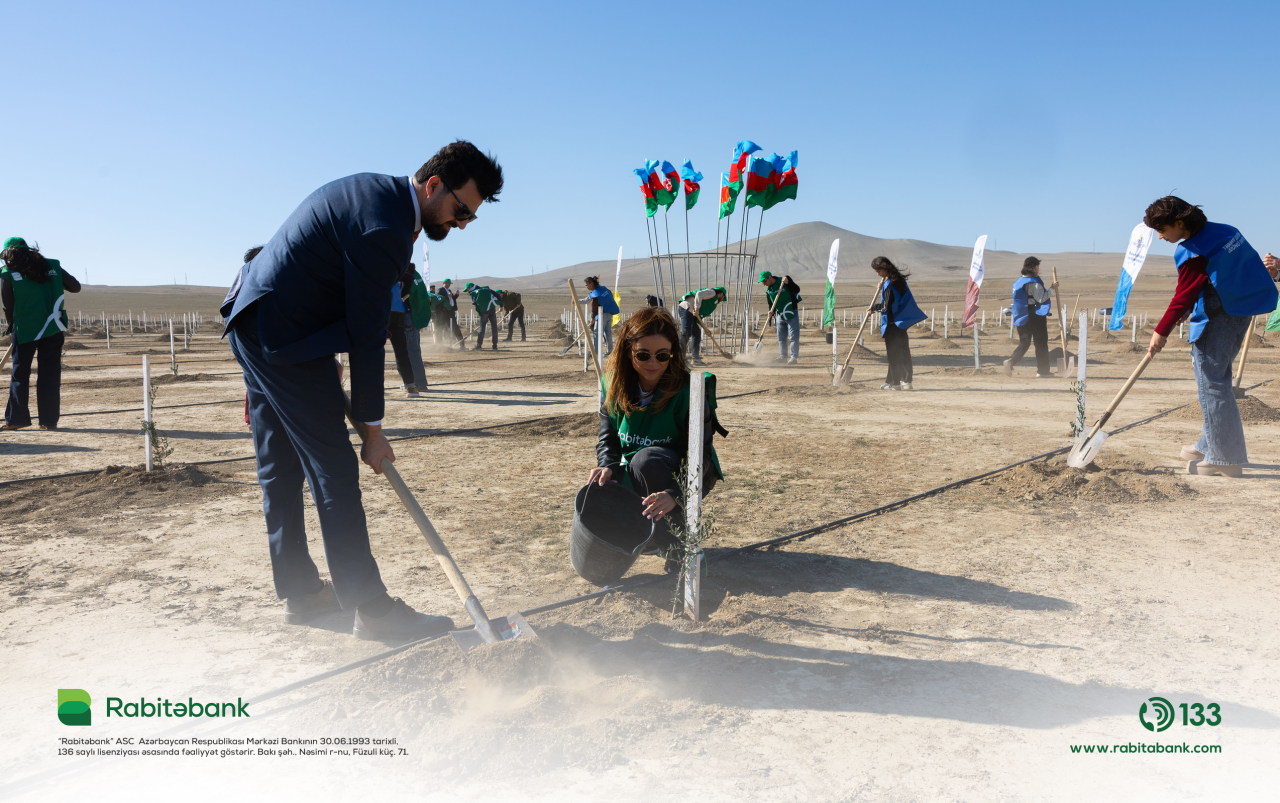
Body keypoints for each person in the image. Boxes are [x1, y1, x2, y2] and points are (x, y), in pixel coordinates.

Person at [220, 140, 503, 639]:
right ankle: (372, 610)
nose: (461, 224)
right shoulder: (385, 227)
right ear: (433, 184)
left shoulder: (381, 199)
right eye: (461, 210)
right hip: (283, 338)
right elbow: (369, 337)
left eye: (470, 219)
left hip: (263, 322)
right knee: (333, 467)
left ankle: (302, 594)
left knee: (279, 464)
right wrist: (372, 429)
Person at [1144, 196, 1278, 477]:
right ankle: (1210, 443)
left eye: (1162, 229)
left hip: (1217, 318)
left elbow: (1182, 296)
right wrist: (1187, 309)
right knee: (1218, 379)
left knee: (1212, 383)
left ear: (1179, 223)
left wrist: (1161, 331)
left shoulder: (1194, 251)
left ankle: (1225, 458)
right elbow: (1219, 277)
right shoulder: (1226, 232)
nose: (1159, 236)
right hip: (1240, 313)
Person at [589, 306, 725, 562]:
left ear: (672, 355)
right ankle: (651, 536)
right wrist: (606, 466)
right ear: (628, 352)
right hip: (634, 473)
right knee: (603, 486)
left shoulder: (690, 392)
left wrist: (675, 494)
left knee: (647, 460)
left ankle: (678, 547)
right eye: (643, 355)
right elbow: (607, 438)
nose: (653, 363)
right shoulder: (612, 384)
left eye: (662, 355)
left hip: (685, 475)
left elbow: (700, 454)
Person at [1, 237, 81, 431]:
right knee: (50, 375)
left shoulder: (8, 273)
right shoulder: (52, 266)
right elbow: (76, 287)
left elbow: (7, 305)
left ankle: (16, 419)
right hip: (52, 327)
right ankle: (48, 420)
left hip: (25, 329)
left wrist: (12, 325)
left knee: (20, 374)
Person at [869, 257, 926, 390]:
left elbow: (885, 307)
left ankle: (894, 383)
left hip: (891, 324)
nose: (878, 274)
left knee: (893, 355)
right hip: (901, 322)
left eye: (878, 271)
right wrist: (883, 287)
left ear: (886, 268)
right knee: (903, 352)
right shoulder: (899, 281)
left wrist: (873, 308)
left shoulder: (890, 285)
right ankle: (906, 381)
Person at [1003, 257, 1057, 377]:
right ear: (1032, 267)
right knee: (1041, 343)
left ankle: (1011, 361)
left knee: (1024, 342)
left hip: (1022, 314)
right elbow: (1041, 298)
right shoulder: (1034, 282)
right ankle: (1043, 371)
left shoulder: (1019, 281)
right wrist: (1052, 288)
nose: (1038, 268)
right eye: (1037, 266)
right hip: (1035, 315)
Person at [392, 263, 429, 396]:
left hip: (406, 314)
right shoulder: (416, 274)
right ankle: (416, 381)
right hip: (415, 315)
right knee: (412, 349)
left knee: (408, 350)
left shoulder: (402, 273)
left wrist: (401, 298)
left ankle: (417, 383)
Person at [759, 271, 802, 363]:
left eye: (764, 281)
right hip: (779, 314)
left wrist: (788, 283)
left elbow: (797, 289)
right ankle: (783, 357)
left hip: (791, 311)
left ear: (770, 277)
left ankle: (794, 357)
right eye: (762, 282)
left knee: (793, 336)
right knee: (781, 337)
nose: (764, 284)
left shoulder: (783, 280)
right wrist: (771, 311)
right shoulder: (769, 290)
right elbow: (771, 304)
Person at [678, 286, 727, 365]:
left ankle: (696, 359)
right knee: (686, 332)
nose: (721, 300)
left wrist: (706, 330)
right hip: (686, 308)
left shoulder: (711, 302)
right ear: (721, 294)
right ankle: (679, 358)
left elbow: (698, 317)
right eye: (723, 297)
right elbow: (699, 294)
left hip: (692, 312)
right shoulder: (713, 292)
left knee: (697, 333)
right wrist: (697, 308)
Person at [583, 275, 620, 356]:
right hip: (610, 314)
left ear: (591, 283)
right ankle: (610, 351)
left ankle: (594, 352)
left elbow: (591, 303)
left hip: (601, 315)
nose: (586, 287)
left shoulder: (595, 294)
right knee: (608, 333)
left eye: (586, 285)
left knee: (597, 333)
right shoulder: (604, 289)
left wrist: (593, 318)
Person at [463, 281, 500, 351]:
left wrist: (479, 313)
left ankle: (478, 346)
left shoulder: (473, 292)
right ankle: (495, 346)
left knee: (481, 329)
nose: (467, 291)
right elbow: (497, 295)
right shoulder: (485, 289)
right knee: (494, 328)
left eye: (467, 289)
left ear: (470, 287)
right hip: (492, 310)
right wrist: (501, 306)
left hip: (484, 312)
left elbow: (476, 303)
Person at [439, 278, 465, 349]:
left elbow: (452, 299)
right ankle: (439, 345)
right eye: (448, 283)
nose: (449, 285)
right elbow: (439, 298)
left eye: (450, 283)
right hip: (445, 312)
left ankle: (462, 344)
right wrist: (447, 296)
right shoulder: (441, 290)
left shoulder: (449, 290)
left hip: (451, 311)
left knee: (455, 327)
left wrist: (456, 295)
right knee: (441, 327)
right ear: (444, 283)